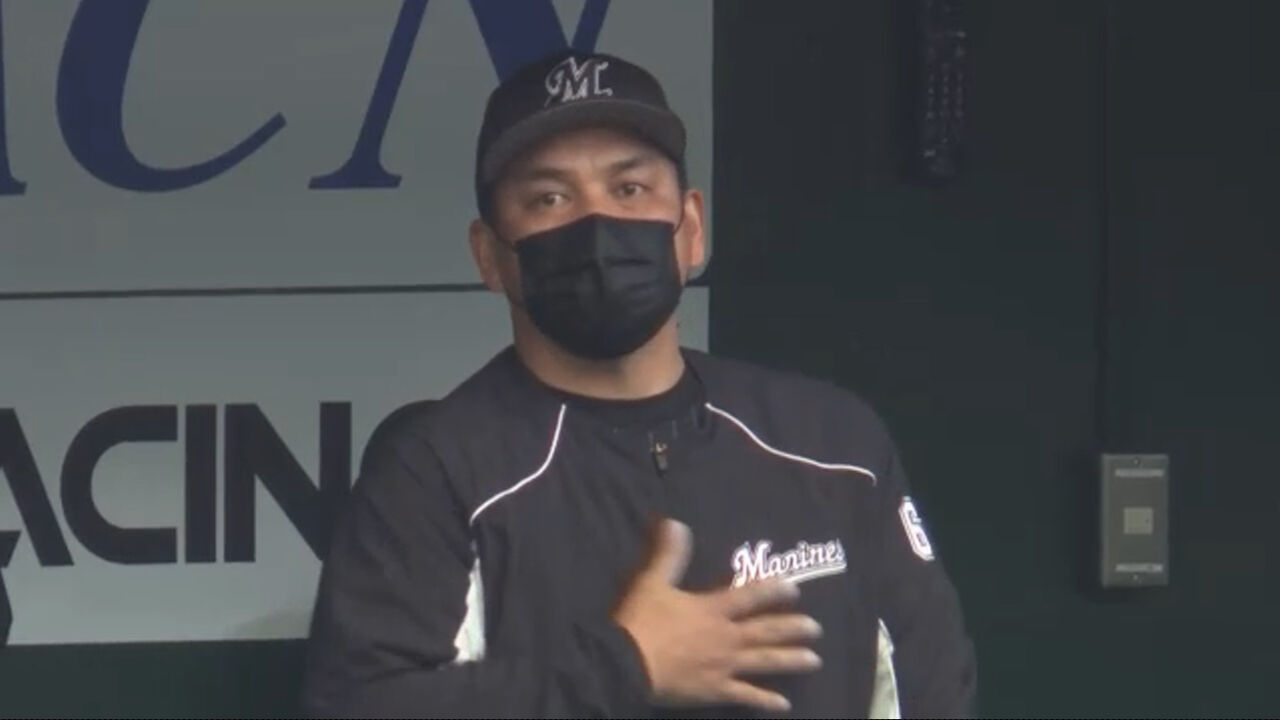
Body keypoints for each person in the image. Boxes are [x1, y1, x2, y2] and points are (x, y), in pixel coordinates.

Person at [300, 49, 976, 719]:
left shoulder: (831, 443)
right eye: (549, 198)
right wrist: (625, 667)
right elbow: (357, 706)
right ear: (490, 255)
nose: (596, 224)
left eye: (630, 189)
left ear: (691, 229)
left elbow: (932, 691)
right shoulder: (440, 468)